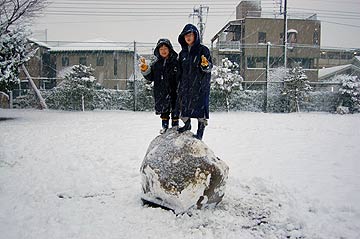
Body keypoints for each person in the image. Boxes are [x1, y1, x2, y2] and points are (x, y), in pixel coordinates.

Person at [177, 23, 212, 140]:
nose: (188, 37)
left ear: (195, 36)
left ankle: (200, 131)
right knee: (185, 108)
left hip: (200, 86)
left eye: (190, 34)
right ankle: (187, 125)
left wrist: (205, 65)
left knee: (200, 110)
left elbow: (209, 68)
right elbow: (180, 71)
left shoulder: (203, 50)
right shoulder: (182, 54)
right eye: (186, 35)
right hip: (186, 87)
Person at [139, 38, 179, 134]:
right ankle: (164, 127)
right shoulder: (156, 65)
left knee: (175, 111)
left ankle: (175, 128)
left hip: (174, 92)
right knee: (164, 112)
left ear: (170, 49)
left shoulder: (176, 63)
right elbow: (150, 77)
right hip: (161, 93)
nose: (163, 51)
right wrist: (145, 70)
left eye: (165, 48)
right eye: (161, 49)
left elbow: (181, 76)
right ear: (158, 51)